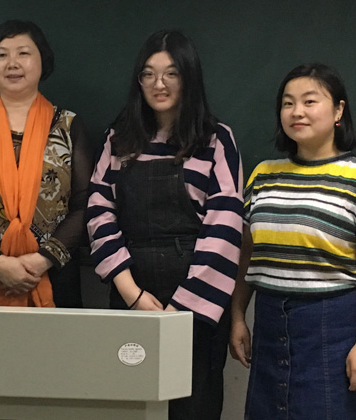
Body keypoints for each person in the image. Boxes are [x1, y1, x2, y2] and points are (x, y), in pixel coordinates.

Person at [229, 63, 356, 419]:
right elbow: (248, 255)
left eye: (310, 101)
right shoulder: (263, 176)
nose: (297, 112)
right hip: (269, 323)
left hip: (334, 332)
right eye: (288, 103)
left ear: (338, 110)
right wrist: (237, 316)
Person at [87, 30, 244, 419]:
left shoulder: (216, 140)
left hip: (196, 300)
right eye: (148, 74)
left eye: (171, 73)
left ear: (189, 78)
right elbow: (99, 210)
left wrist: (180, 310)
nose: (159, 84)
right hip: (132, 291)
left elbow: (224, 227)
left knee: (194, 407)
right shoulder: (119, 139)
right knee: (130, 408)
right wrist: (132, 294)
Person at [0, 20, 93, 307]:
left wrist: (43, 259)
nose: (12, 63)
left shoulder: (69, 125)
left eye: (23, 53)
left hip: (52, 275)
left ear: (42, 60)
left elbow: (86, 203)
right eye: (1, 55)